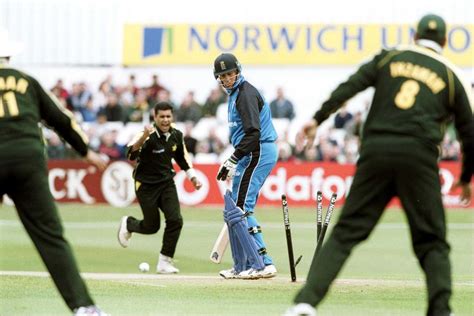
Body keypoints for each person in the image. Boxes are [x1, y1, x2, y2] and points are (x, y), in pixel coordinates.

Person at [286, 14, 473, 316]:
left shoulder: (390, 57)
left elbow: (351, 86)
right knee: (432, 242)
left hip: (376, 151)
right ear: (445, 41)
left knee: (346, 233)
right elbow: (469, 133)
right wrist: (465, 177)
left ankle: (305, 303)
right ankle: (440, 311)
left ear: (415, 36)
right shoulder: (453, 75)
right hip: (419, 157)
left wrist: (317, 118)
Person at [0, 30, 108, 315]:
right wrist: (86, 151)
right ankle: (84, 307)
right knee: (50, 237)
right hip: (27, 157)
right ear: (9, 54)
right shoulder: (26, 81)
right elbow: (62, 119)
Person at [213, 53, 279, 279]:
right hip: (249, 152)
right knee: (234, 208)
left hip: (258, 149)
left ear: (237, 72)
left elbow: (253, 133)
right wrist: (234, 158)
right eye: (222, 76)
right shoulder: (233, 95)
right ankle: (241, 265)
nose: (227, 78)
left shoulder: (245, 94)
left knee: (241, 208)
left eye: (229, 74)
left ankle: (263, 263)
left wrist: (233, 158)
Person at [117, 101, 202, 274]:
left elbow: (182, 158)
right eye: (161, 116)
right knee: (151, 227)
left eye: (168, 116)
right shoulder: (145, 134)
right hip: (145, 185)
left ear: (172, 117)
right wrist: (143, 137)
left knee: (175, 220)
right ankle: (129, 223)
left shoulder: (176, 134)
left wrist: (192, 177)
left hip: (166, 183)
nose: (165, 120)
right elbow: (130, 154)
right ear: (154, 117)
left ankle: (165, 261)